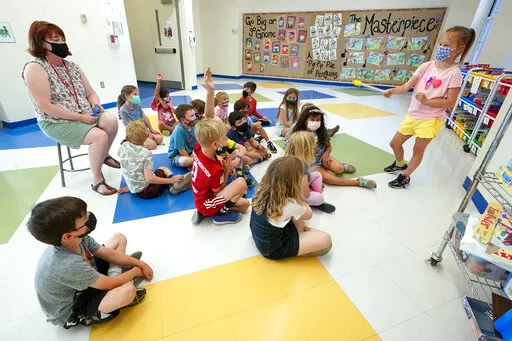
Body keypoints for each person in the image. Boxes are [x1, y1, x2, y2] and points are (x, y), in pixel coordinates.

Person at [23, 21, 120, 195]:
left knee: (111, 120)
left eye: (62, 39)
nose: (60, 43)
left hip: (84, 113)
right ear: (41, 43)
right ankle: (97, 180)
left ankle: (103, 154)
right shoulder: (35, 68)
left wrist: (95, 103)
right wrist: (81, 118)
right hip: (55, 121)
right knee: (99, 136)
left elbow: (90, 92)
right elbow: (45, 106)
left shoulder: (72, 67)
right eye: (55, 39)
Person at [27, 196, 153, 328]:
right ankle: (105, 302)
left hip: (85, 277)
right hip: (74, 306)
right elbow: (109, 284)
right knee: (128, 291)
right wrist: (135, 271)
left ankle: (118, 274)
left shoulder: (78, 238)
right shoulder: (67, 264)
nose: (89, 216)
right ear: (68, 236)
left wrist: (141, 264)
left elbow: (109, 253)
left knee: (119, 238)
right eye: (84, 218)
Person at [383, 26, 475, 188]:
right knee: (395, 143)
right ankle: (399, 164)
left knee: (418, 150)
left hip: (431, 120)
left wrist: (428, 102)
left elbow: (451, 101)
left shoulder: (454, 74)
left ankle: (406, 176)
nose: (441, 48)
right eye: (441, 44)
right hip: (413, 115)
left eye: (446, 46)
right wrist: (393, 91)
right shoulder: (426, 66)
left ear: (459, 49)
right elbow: (407, 86)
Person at [250, 156, 332, 260]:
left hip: (260, 236)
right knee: (326, 240)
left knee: (299, 217)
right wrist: (302, 191)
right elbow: (309, 215)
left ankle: (301, 235)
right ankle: (300, 237)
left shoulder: (263, 189)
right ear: (294, 182)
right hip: (273, 249)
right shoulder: (289, 203)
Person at [285, 106, 376, 189]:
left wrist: (326, 154)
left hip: (322, 158)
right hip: (309, 163)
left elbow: (328, 146)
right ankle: (358, 182)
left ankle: (342, 166)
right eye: (313, 119)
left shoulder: (321, 129)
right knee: (332, 180)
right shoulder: (296, 129)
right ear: (305, 119)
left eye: (318, 120)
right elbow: (289, 148)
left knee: (338, 169)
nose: (316, 122)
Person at [191, 119, 251, 225]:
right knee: (241, 184)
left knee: (245, 205)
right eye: (224, 138)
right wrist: (226, 170)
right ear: (215, 144)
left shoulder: (198, 147)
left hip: (201, 198)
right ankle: (220, 215)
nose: (226, 140)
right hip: (208, 203)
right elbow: (218, 190)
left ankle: (204, 212)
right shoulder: (214, 170)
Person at [117, 121, 191, 199]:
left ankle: (171, 185)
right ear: (147, 136)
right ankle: (173, 185)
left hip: (135, 190)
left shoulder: (122, 146)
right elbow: (150, 179)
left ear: (127, 137)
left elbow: (130, 167)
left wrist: (130, 187)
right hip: (149, 191)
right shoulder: (146, 154)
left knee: (147, 172)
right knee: (163, 168)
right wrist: (171, 180)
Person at [284, 131, 335, 213]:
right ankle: (312, 201)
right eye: (314, 148)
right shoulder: (301, 166)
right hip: (293, 194)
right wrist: (308, 190)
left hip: (294, 185)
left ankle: (313, 194)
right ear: (306, 150)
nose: (315, 150)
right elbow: (306, 193)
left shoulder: (292, 157)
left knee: (317, 175)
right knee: (319, 198)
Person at [118, 85, 163, 150]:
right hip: (135, 133)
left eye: (137, 94)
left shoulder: (137, 104)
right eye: (135, 94)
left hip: (143, 130)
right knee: (152, 145)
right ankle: (130, 143)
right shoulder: (123, 110)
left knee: (159, 139)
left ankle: (144, 140)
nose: (137, 96)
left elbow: (144, 117)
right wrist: (147, 134)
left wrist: (151, 130)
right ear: (127, 96)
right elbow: (133, 127)